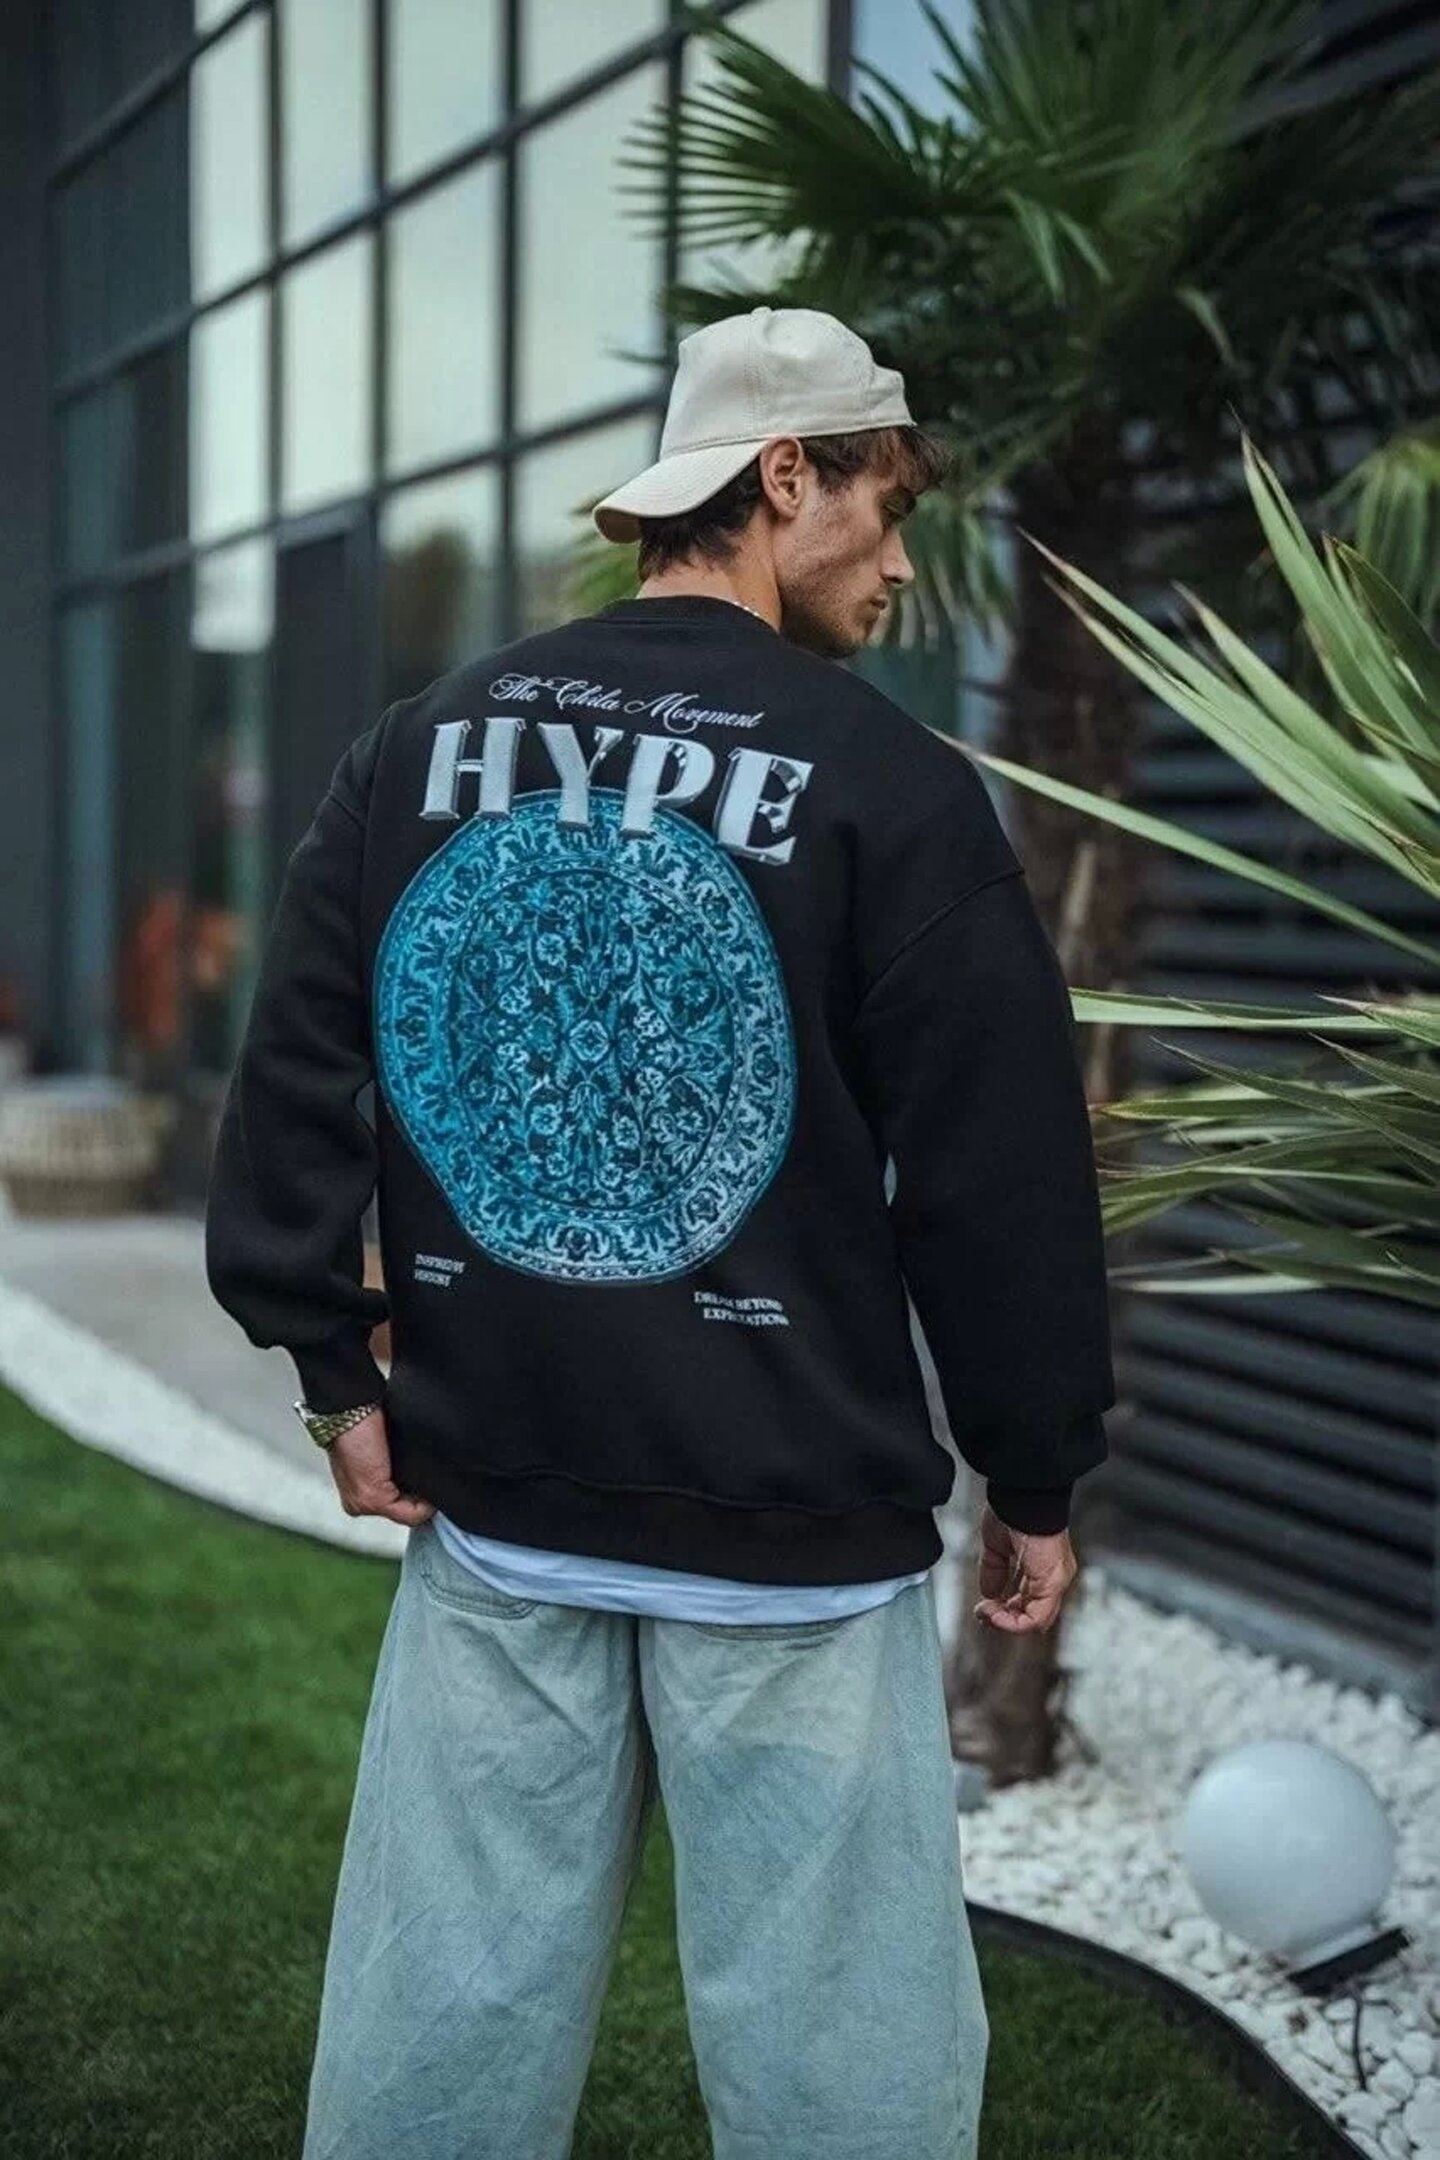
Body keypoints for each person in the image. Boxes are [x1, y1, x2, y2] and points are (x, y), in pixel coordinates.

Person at [204, 305, 1116, 2160]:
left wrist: (334, 1374)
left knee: (442, 2026)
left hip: (501, 1507)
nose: (901, 561)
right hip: (796, 1546)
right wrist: (1033, 1469)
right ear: (785, 479)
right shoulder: (893, 789)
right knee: (841, 2059)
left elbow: (294, 1070)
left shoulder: (421, 746)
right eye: (886, 505)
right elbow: (999, 1180)